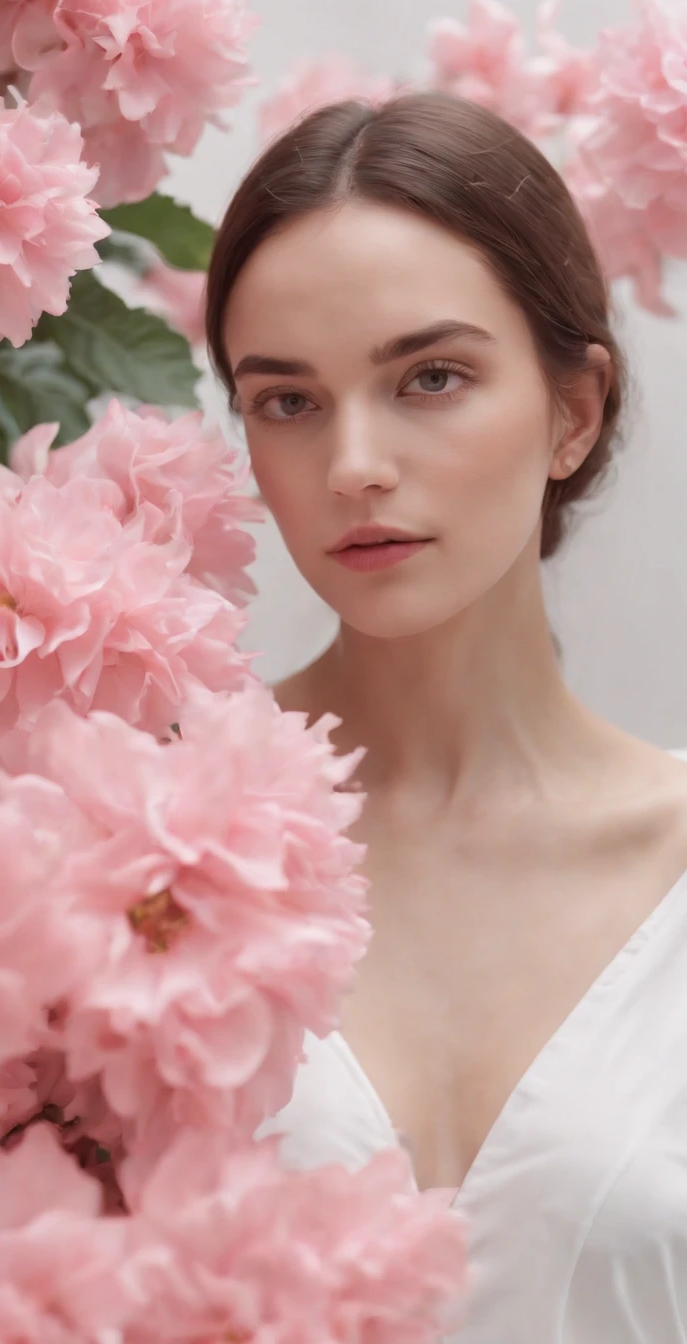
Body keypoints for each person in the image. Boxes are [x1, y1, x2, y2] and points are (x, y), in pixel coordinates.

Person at [204, 91, 687, 1341]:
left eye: (431, 377)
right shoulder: (142, 851)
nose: (355, 462)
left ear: (573, 412)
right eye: (288, 401)